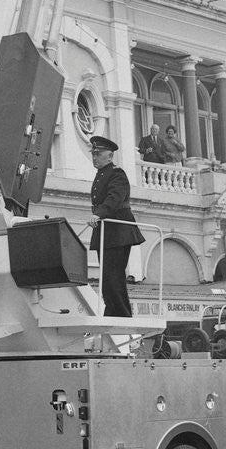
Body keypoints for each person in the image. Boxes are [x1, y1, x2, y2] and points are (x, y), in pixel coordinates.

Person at [87, 135, 145, 318]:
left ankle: (122, 315)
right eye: (93, 154)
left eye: (98, 154)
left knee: (114, 277)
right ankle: (112, 312)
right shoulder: (101, 175)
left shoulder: (116, 173)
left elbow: (114, 198)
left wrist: (98, 214)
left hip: (118, 230)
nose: (94, 157)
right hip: (106, 230)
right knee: (106, 279)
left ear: (110, 156)